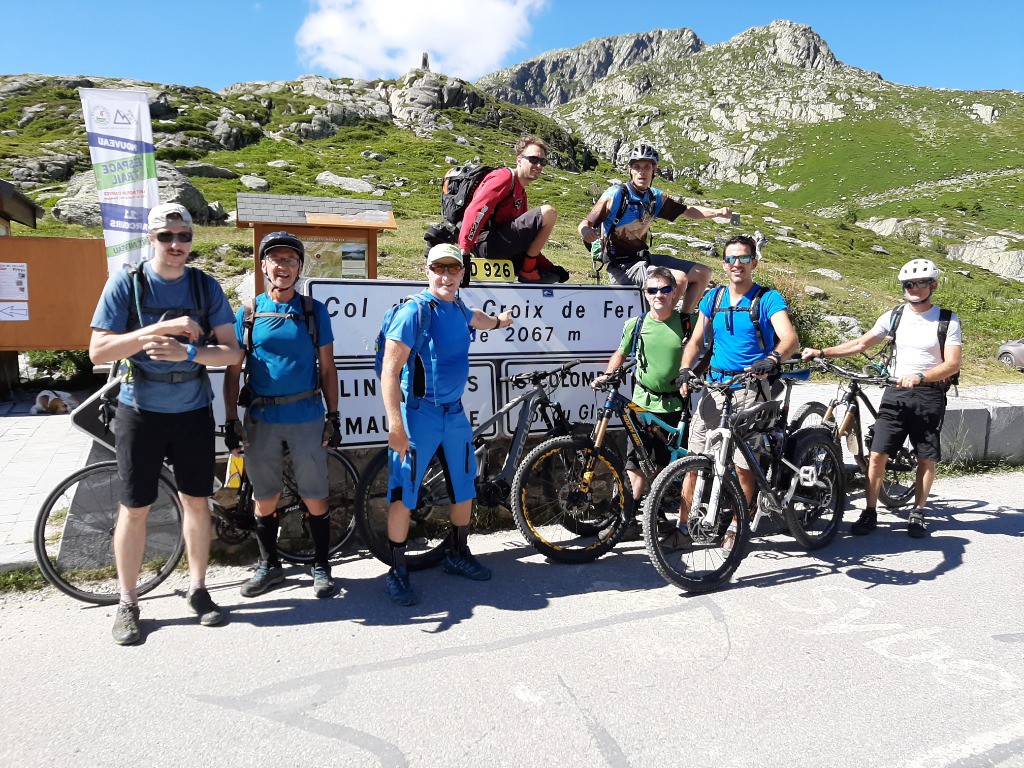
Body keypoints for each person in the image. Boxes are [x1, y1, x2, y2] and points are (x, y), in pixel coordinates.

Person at [89, 202, 242, 645]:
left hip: (193, 410)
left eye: (184, 237)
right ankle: (127, 602)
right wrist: (157, 332)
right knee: (134, 508)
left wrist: (191, 352)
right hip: (140, 411)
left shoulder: (204, 285)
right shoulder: (127, 284)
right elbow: (98, 352)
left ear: (192, 239)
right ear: (150, 239)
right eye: (166, 237)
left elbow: (233, 354)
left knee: (197, 502)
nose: (176, 245)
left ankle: (198, 590)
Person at [380, 243, 513, 606]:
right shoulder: (414, 312)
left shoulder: (458, 309)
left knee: (464, 486)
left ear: (461, 274)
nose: (446, 275)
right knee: (404, 492)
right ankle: (397, 569)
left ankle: (457, 552)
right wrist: (396, 426)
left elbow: (480, 319)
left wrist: (501, 321)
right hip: (418, 415)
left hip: (453, 414)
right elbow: (389, 373)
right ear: (427, 270)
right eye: (439, 268)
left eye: (453, 269)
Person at [801, 258, 962, 538]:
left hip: (929, 394)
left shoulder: (947, 319)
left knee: (925, 458)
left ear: (932, 285)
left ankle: (918, 511)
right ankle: (870, 510)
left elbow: (953, 364)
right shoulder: (895, 316)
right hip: (896, 391)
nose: (914, 288)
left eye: (920, 283)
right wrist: (822, 351)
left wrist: (922, 376)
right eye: (908, 284)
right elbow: (862, 343)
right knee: (877, 455)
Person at [222, 231, 341, 599]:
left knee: (315, 496)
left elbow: (328, 368)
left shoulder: (313, 310)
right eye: (276, 259)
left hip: (306, 415)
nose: (283, 266)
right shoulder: (249, 312)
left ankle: (321, 565)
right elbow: (232, 371)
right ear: (263, 266)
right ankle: (270, 566)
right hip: (261, 420)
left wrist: (333, 416)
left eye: (291, 260)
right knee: (265, 498)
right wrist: (230, 419)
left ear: (300, 267)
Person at [673, 235, 799, 548]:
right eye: (731, 259)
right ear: (724, 264)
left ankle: (736, 524)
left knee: (745, 463)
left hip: (752, 386)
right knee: (695, 457)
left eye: (744, 258)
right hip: (714, 387)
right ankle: (683, 525)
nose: (737, 264)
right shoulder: (712, 299)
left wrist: (771, 359)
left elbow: (789, 339)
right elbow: (696, 342)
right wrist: (685, 370)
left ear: (754, 262)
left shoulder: (767, 299)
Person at [578, 142, 732, 314]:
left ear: (654, 170)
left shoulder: (654, 197)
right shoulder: (616, 194)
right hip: (622, 267)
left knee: (702, 273)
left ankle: (683, 320)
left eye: (647, 167)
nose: (642, 172)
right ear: (630, 170)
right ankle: (659, 322)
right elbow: (585, 223)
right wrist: (586, 232)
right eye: (637, 167)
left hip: (644, 260)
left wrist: (717, 212)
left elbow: (687, 211)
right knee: (679, 279)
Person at [592, 267, 690, 516]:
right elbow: (621, 352)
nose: (659, 295)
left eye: (665, 289)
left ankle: (652, 507)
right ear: (645, 294)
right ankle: (632, 510)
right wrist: (608, 374)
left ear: (674, 293)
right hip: (641, 403)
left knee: (662, 460)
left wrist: (693, 373)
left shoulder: (686, 322)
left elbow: (686, 277)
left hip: (674, 405)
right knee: (636, 460)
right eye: (652, 290)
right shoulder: (636, 325)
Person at [458, 135, 569, 284]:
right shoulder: (504, 177)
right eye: (534, 160)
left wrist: (548, 265)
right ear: (519, 160)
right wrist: (464, 254)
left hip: (500, 245)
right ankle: (527, 271)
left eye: (543, 162)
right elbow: (476, 211)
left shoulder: (521, 193)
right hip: (486, 245)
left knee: (548, 271)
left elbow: (524, 238)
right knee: (549, 213)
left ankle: (533, 269)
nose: (539, 166)